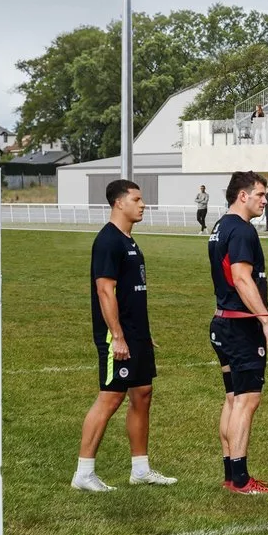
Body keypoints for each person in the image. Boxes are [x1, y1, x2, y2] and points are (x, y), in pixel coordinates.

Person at [74, 179, 175, 491]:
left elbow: (131, 293)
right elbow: (105, 291)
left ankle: (141, 469)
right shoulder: (108, 241)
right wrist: (117, 336)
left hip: (136, 335)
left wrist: (142, 335)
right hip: (116, 337)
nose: (142, 204)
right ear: (119, 203)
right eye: (136, 199)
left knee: (142, 394)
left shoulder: (129, 241)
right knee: (111, 396)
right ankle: (84, 473)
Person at [208, 170, 268, 496]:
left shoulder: (220, 226)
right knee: (247, 400)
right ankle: (240, 479)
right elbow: (241, 278)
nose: (265, 201)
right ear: (243, 195)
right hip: (240, 327)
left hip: (223, 323)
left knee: (233, 398)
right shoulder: (241, 230)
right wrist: (267, 321)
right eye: (260, 195)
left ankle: (230, 473)